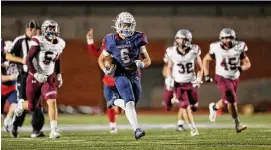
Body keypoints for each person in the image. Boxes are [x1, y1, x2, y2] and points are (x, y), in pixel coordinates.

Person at [98, 12, 151, 140]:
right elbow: (101, 59)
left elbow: (148, 59)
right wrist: (105, 69)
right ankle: (137, 130)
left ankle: (114, 101)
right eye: (124, 25)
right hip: (120, 74)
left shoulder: (139, 38)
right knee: (130, 102)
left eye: (129, 25)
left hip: (134, 74)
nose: (127, 28)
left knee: (131, 104)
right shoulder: (110, 40)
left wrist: (142, 64)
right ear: (118, 25)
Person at [16, 19, 65, 139]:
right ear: (44, 30)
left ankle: (54, 130)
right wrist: (36, 74)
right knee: (33, 106)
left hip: (48, 77)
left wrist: (58, 74)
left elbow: (57, 58)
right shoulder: (38, 40)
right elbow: (28, 59)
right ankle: (22, 105)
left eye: (54, 28)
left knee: (52, 101)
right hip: (34, 77)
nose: (52, 31)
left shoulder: (60, 43)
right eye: (50, 28)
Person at [202, 28, 251, 133]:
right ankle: (237, 124)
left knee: (226, 100)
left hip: (234, 77)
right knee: (232, 100)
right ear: (221, 39)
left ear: (234, 38)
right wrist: (206, 74)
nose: (227, 40)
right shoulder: (215, 47)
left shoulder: (239, 47)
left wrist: (241, 68)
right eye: (224, 38)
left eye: (229, 38)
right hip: (221, 77)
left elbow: (247, 63)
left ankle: (214, 107)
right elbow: (206, 59)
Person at [5, 20, 45, 138]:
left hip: (35, 76)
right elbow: (8, 55)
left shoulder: (39, 41)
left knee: (36, 103)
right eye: (37, 30)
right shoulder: (20, 41)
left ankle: (36, 130)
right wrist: (21, 60)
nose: (38, 32)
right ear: (30, 29)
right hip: (23, 76)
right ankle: (15, 125)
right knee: (22, 102)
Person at [165, 29, 203, 136]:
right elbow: (169, 67)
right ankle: (193, 128)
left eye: (181, 39)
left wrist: (199, 78)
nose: (178, 41)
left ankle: (183, 122)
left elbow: (200, 68)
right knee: (185, 106)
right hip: (179, 84)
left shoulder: (194, 50)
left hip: (191, 83)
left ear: (187, 40)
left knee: (194, 106)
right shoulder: (171, 51)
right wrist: (169, 78)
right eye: (177, 38)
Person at [86, 28, 121, 134]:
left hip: (120, 81)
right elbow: (95, 52)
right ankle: (113, 126)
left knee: (119, 108)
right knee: (109, 104)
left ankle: (119, 107)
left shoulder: (120, 51)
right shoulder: (104, 51)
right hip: (108, 82)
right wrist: (90, 40)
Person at [162, 44, 185, 132]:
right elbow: (165, 70)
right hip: (170, 84)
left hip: (181, 83)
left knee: (184, 103)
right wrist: (169, 78)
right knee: (167, 106)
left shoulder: (187, 57)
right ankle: (169, 104)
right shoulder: (170, 57)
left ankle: (180, 124)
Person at [1, 40, 19, 132]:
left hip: (12, 88)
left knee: (15, 104)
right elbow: (1, 78)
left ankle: (8, 119)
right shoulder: (2, 61)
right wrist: (12, 77)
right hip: (1, 88)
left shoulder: (16, 60)